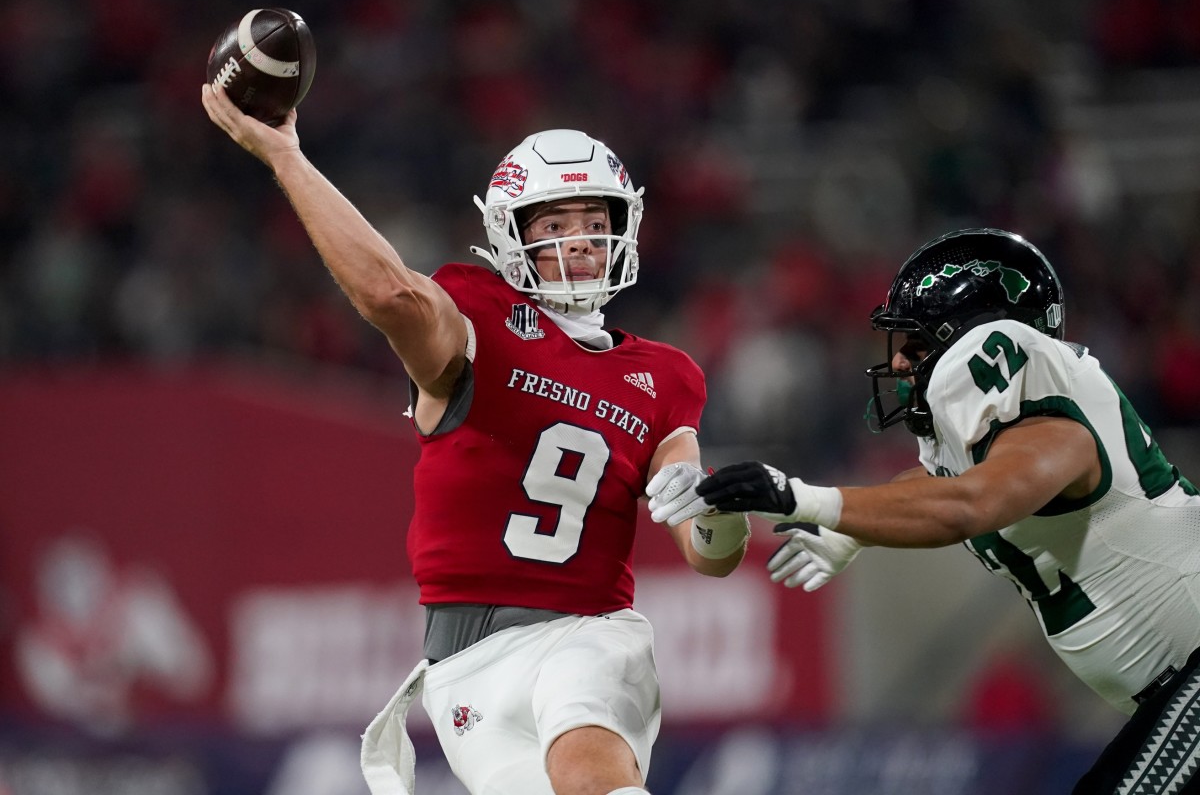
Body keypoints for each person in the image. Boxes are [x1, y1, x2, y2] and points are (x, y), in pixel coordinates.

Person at [201, 84, 750, 795]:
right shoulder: (476, 320)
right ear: (511, 236)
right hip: (465, 666)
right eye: (556, 221)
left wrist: (717, 508)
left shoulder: (665, 376)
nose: (581, 237)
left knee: (592, 777)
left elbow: (709, 554)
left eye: (594, 218)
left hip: (588, 633)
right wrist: (285, 155)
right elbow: (390, 295)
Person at [649, 227, 1200, 794]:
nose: (904, 365)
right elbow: (944, 482)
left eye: (916, 345)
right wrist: (854, 531)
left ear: (985, 341)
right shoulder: (1008, 437)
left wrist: (808, 499)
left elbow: (972, 503)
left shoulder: (1057, 431)